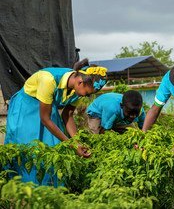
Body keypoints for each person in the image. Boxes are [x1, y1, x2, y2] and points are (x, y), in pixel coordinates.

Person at [5, 58, 107, 186]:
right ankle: (23, 190)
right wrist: (72, 145)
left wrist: (76, 142)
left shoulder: (78, 88)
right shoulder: (49, 80)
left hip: (47, 106)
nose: (86, 97)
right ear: (80, 82)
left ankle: (50, 193)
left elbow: (68, 114)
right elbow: (45, 119)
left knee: (54, 149)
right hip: (26, 107)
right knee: (27, 149)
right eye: (87, 94)